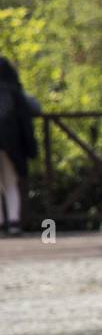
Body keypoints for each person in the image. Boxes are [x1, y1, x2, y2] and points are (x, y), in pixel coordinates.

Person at [0, 57, 38, 236]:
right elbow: (35, 108)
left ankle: (0, 222)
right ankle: (14, 222)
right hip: (12, 144)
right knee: (10, 182)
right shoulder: (14, 91)